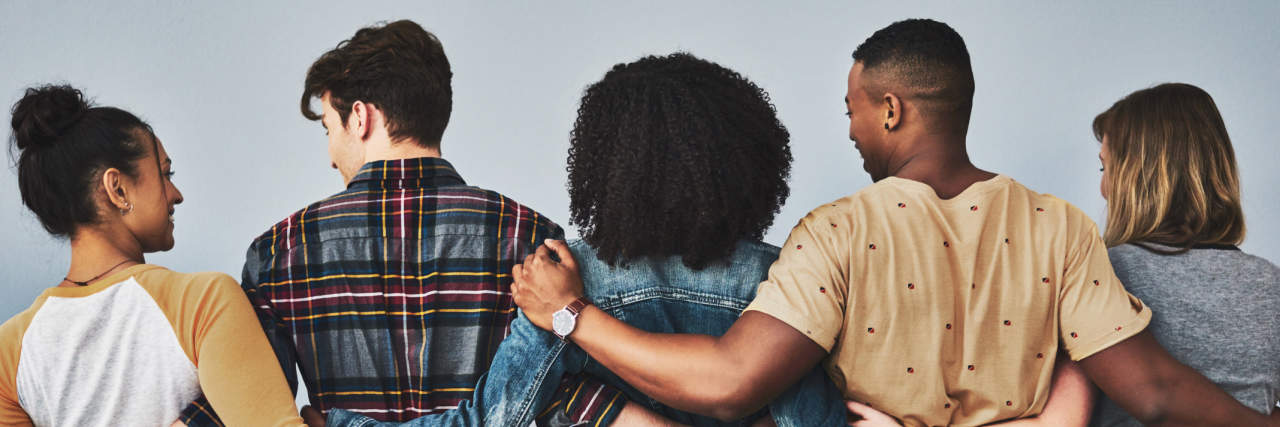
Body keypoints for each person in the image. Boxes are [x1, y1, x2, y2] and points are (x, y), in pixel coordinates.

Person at [510, 19, 1276, 426]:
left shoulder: (835, 232)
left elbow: (731, 383)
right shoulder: (1062, 227)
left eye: (852, 109)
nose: (848, 130)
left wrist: (571, 314)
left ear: (890, 108)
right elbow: (1155, 393)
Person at [327, 52, 855, 427]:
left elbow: (489, 419)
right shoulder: (785, 279)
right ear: (744, 162)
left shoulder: (563, 280)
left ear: (605, 167)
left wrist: (343, 423)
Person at [224, 19, 635, 425]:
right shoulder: (530, 238)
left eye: (329, 129)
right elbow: (565, 401)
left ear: (360, 118)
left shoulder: (277, 255)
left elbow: (252, 412)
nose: (331, 157)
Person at [0, 85, 305, 426]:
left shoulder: (10, 350)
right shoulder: (200, 302)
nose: (176, 194)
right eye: (165, 174)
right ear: (117, 189)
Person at [1086, 83, 1279, 425]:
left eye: (1106, 168)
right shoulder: (1270, 282)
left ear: (1137, 176)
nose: (1103, 189)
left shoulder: (1105, 272)